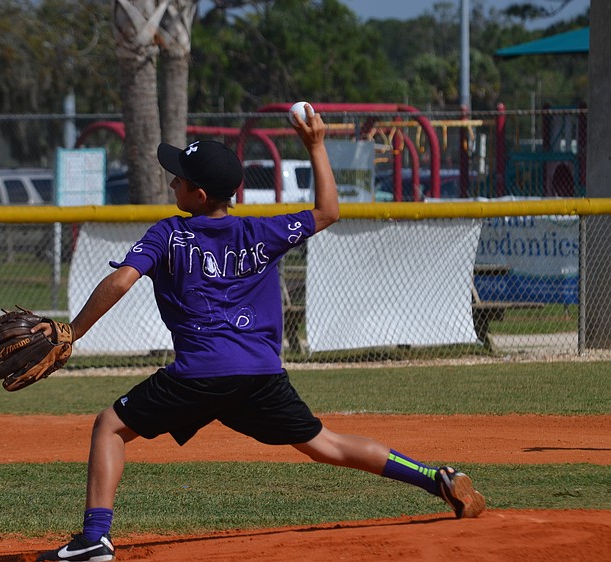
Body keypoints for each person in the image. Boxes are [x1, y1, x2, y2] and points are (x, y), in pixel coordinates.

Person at [34, 105, 485, 562]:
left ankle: (95, 539)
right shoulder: (260, 230)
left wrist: (74, 331)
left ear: (199, 193)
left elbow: (120, 281)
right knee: (324, 444)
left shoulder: (169, 234)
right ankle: (436, 479)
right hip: (260, 376)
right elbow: (328, 211)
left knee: (110, 426)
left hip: (199, 374)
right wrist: (314, 145)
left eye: (179, 179)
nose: (173, 183)